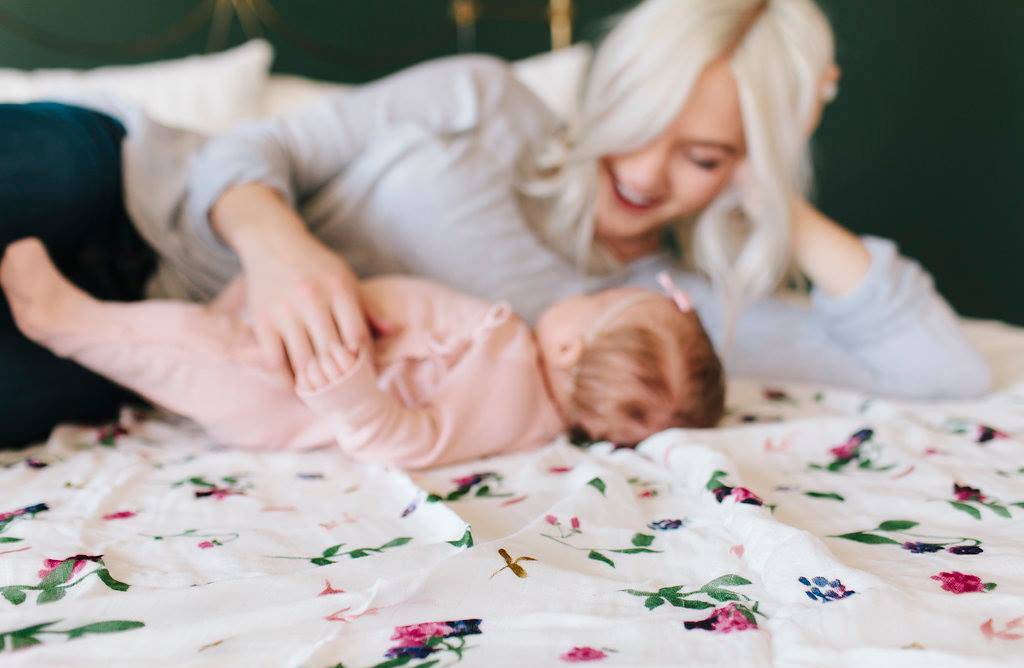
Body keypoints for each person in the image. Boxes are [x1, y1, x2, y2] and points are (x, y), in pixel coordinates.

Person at [0, 0, 990, 448]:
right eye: (640, 126)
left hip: (140, 339)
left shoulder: (661, 318)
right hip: (126, 182)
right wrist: (281, 244)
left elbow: (940, 370)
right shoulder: (484, 102)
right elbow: (249, 150)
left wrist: (779, 183)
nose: (646, 173)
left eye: (704, 155)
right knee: (39, 166)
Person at [1, 237, 724, 466]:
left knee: (197, 348)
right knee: (203, 339)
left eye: (598, 299)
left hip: (285, 390)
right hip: (302, 357)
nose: (583, 292)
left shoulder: (512, 364)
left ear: (570, 342)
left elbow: (408, 440)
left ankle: (63, 319)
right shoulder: (529, 415)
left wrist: (347, 391)